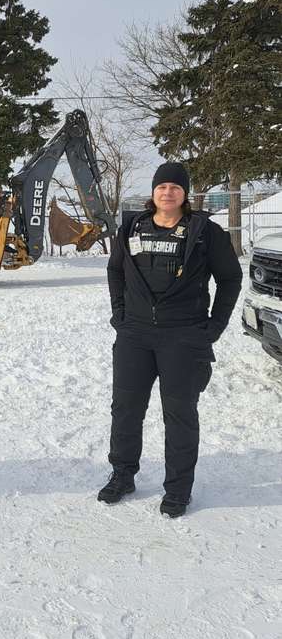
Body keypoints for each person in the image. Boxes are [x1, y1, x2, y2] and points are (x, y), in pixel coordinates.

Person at [100, 162, 242, 517]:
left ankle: (178, 489)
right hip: (134, 335)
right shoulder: (131, 227)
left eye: (175, 188)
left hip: (184, 337)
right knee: (126, 409)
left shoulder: (205, 232)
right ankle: (122, 474)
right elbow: (116, 271)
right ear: (153, 192)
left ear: (185, 194)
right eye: (162, 187)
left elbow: (230, 280)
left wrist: (214, 327)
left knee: (179, 414)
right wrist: (120, 314)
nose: (168, 193)